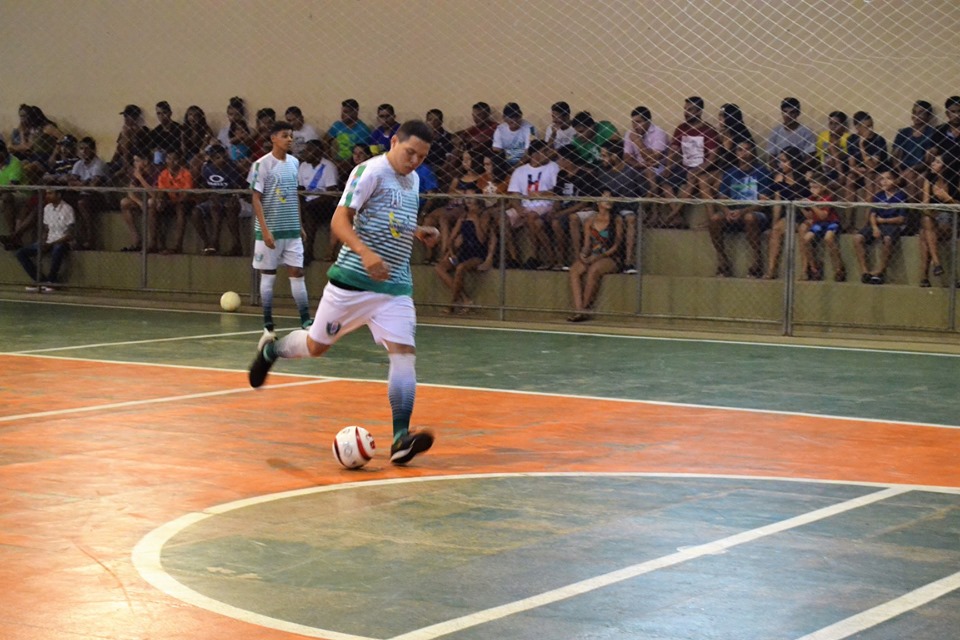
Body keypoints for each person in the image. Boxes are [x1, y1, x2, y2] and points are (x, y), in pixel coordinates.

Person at [248, 119, 439, 466]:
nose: (414, 161)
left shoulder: (412, 181)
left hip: (394, 286)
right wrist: (365, 253)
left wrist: (417, 230)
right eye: (410, 152)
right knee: (315, 347)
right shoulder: (369, 172)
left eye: (422, 157)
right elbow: (340, 221)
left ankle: (400, 438)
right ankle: (271, 351)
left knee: (404, 353)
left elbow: (391, 218)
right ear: (394, 143)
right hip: (352, 282)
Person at [248, 121, 312, 347]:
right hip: (271, 231)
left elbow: (293, 194)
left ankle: (306, 321)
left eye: (291, 136)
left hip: (291, 230)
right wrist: (265, 230)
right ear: (273, 138)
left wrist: (299, 224)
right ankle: (268, 326)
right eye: (285, 135)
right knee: (269, 275)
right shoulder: (261, 165)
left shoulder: (294, 163)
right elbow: (256, 198)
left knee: (297, 272)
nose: (289, 139)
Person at [709, 139, 771, 278]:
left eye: (747, 149)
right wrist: (727, 211)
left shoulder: (762, 172)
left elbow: (763, 202)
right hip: (734, 212)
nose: (744, 153)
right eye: (740, 150)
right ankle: (722, 261)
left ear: (753, 152)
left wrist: (742, 211)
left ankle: (757, 261)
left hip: (755, 212)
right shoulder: (730, 173)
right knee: (715, 219)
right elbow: (721, 198)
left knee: (750, 218)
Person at [435, 185, 494, 313]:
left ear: (478, 198)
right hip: (464, 251)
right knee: (440, 268)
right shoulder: (463, 216)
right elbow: (452, 237)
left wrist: (476, 221)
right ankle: (465, 298)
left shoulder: (484, 215)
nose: (468, 200)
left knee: (461, 268)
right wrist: (451, 252)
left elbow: (482, 239)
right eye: (466, 197)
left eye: (471, 197)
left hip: (477, 253)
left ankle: (452, 304)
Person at [567, 190, 623, 322]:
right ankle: (578, 309)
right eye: (605, 198)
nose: (609, 201)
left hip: (610, 256)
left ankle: (585, 309)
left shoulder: (616, 220)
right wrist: (583, 254)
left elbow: (616, 246)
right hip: (593, 254)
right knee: (574, 270)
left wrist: (597, 257)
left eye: (611, 198)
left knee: (594, 270)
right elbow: (587, 244)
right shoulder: (590, 221)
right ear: (598, 201)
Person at [506, 139, 561, 268]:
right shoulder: (519, 171)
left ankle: (535, 255)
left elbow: (558, 191)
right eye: (543, 152)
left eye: (546, 151)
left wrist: (541, 194)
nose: (547, 154)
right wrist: (519, 209)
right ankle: (513, 258)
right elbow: (514, 195)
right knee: (503, 219)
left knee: (532, 217)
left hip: (545, 204)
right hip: (524, 205)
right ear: (533, 154)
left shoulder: (553, 167)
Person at [666, 96, 719, 228]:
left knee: (692, 178)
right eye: (685, 109)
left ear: (699, 111)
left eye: (690, 110)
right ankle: (678, 217)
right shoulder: (681, 128)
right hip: (684, 167)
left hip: (702, 168)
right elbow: (674, 150)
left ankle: (672, 215)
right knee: (663, 182)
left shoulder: (708, 130)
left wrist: (698, 170)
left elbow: (713, 157)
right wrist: (668, 167)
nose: (686, 113)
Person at [594, 142, 645, 274]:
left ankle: (629, 261)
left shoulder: (631, 172)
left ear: (615, 156)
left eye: (604, 156)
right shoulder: (601, 172)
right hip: (607, 208)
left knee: (630, 219)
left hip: (626, 207)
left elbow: (646, 193)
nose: (602, 159)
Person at [853, 167, 908, 284]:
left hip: (892, 225)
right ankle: (865, 271)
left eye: (888, 179)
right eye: (882, 179)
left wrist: (882, 220)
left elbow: (901, 219)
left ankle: (880, 270)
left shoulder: (901, 196)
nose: (884, 182)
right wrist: (874, 227)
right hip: (877, 224)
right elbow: (873, 214)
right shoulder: (878, 196)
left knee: (887, 239)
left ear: (896, 180)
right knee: (857, 238)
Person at [764, 146, 811, 279]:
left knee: (803, 230)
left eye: (784, 161)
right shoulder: (779, 178)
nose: (781, 164)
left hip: (805, 212)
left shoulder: (805, 177)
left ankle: (805, 271)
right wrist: (774, 222)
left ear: (793, 161)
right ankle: (771, 269)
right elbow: (778, 204)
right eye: (780, 161)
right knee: (776, 230)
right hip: (790, 213)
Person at [15, 189, 73, 291]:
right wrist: (43, 240)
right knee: (21, 253)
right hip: (49, 240)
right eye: (47, 193)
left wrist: (51, 244)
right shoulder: (47, 208)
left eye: (50, 193)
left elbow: (69, 235)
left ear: (58, 194)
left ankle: (52, 280)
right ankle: (40, 280)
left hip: (62, 240)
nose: (47, 196)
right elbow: (46, 228)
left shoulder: (67, 209)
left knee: (58, 248)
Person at [193, 144, 246, 256]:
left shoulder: (232, 168)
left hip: (229, 198)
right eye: (217, 158)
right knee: (196, 212)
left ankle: (234, 245)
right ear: (212, 158)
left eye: (223, 157)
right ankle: (207, 243)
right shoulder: (206, 168)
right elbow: (204, 185)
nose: (221, 160)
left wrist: (231, 196)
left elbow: (239, 187)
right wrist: (208, 195)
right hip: (213, 198)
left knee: (222, 208)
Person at [623, 105, 669, 227]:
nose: (635, 126)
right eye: (633, 122)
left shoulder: (659, 133)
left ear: (648, 121)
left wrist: (638, 142)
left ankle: (654, 212)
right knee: (625, 171)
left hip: (658, 168)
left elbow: (653, 159)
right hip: (638, 167)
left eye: (638, 122)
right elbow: (626, 157)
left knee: (649, 171)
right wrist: (638, 164)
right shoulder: (630, 133)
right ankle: (632, 210)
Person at [297, 138, 340, 263]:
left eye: (309, 150)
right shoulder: (303, 166)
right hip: (307, 202)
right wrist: (301, 203)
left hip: (324, 204)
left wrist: (308, 204)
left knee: (310, 212)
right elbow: (300, 189)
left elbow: (331, 194)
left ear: (318, 152)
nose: (305, 153)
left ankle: (308, 250)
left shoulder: (328, 167)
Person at [918, 153, 957, 287]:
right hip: (933, 218)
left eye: (937, 162)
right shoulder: (929, 180)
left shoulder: (955, 181)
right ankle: (936, 263)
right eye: (933, 161)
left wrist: (948, 199)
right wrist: (932, 214)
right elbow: (925, 206)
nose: (933, 164)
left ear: (945, 167)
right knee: (926, 222)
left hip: (951, 219)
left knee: (924, 235)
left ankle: (924, 276)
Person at [800, 171, 846, 282]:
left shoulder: (827, 198)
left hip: (831, 222)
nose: (812, 190)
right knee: (806, 239)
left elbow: (823, 215)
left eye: (815, 187)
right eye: (811, 187)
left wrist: (812, 205)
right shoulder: (812, 198)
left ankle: (838, 268)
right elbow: (810, 216)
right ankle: (814, 268)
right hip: (818, 224)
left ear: (823, 187)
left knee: (828, 238)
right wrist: (801, 207)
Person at [147, 149, 193, 254]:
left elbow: (186, 194)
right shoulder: (164, 174)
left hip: (183, 201)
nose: (171, 161)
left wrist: (173, 200)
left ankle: (178, 245)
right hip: (169, 200)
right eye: (169, 158)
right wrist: (160, 201)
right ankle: (153, 243)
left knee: (181, 208)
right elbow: (162, 192)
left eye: (174, 159)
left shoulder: (186, 173)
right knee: (152, 209)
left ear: (180, 160)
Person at [66, 137, 108, 250]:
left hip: (99, 196)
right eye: (81, 148)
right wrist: (84, 183)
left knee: (82, 203)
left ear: (93, 150)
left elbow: (93, 186)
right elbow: (70, 183)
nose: (83, 152)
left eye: (87, 149)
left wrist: (79, 184)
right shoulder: (78, 164)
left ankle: (90, 239)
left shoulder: (98, 164)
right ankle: (70, 238)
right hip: (82, 193)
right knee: (64, 199)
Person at [892, 100, 936, 207]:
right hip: (903, 170)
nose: (917, 116)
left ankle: (917, 211)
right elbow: (894, 157)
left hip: (924, 168)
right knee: (911, 175)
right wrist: (900, 172)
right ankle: (914, 212)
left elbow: (929, 160)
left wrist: (912, 169)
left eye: (921, 113)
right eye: (914, 112)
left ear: (928, 116)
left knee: (920, 177)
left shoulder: (932, 133)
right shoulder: (903, 133)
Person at [118, 152, 156, 252]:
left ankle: (153, 243)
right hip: (143, 200)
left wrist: (140, 178)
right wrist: (139, 202)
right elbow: (130, 191)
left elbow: (154, 194)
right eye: (134, 161)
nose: (135, 163)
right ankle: (136, 240)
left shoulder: (154, 172)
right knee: (124, 202)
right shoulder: (138, 172)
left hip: (155, 201)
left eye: (137, 161)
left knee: (151, 202)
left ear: (146, 161)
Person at [765, 97, 816, 167]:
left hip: (800, 170)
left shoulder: (807, 133)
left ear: (798, 113)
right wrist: (777, 172)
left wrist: (796, 172)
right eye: (785, 112)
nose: (788, 116)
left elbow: (809, 158)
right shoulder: (775, 132)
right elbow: (772, 159)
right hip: (780, 170)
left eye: (792, 112)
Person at [328, 98, 373, 175]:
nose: (342, 115)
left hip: (353, 164)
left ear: (355, 112)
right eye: (342, 112)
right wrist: (331, 160)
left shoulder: (363, 130)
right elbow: (325, 143)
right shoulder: (337, 125)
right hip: (335, 162)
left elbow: (360, 154)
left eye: (346, 112)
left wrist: (340, 166)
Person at [0, 141, 26, 250]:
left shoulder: (14, 162)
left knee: (7, 197)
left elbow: (12, 186)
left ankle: (12, 235)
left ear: (3, 152)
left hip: (18, 193)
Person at [217, 97, 254, 173]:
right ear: (227, 115)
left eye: (237, 115)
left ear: (242, 115)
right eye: (231, 114)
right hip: (228, 160)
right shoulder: (223, 131)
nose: (234, 117)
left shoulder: (249, 130)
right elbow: (221, 148)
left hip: (245, 159)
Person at [492, 102, 536, 167]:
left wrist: (514, 168)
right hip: (505, 162)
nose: (514, 120)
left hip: (524, 163)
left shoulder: (530, 129)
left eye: (517, 116)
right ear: (504, 118)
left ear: (521, 115)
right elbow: (496, 150)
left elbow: (529, 153)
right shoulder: (500, 129)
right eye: (511, 117)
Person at [181, 105, 216, 181]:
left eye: (196, 115)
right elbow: (183, 150)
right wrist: (183, 138)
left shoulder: (206, 130)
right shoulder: (184, 130)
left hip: (201, 156)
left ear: (200, 117)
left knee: (194, 162)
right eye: (190, 115)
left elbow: (202, 150)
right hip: (187, 155)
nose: (192, 118)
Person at [815, 111, 850, 183]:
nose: (833, 126)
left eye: (836, 124)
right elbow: (818, 155)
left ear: (843, 125)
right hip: (825, 170)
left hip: (842, 168)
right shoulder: (823, 136)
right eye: (831, 123)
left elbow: (847, 157)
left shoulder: (848, 138)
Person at [150, 101, 183, 166]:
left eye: (164, 112)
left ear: (170, 113)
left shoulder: (179, 129)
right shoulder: (155, 131)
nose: (161, 116)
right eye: (159, 113)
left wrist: (167, 151)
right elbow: (151, 148)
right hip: (160, 161)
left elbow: (181, 149)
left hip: (175, 160)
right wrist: (155, 150)